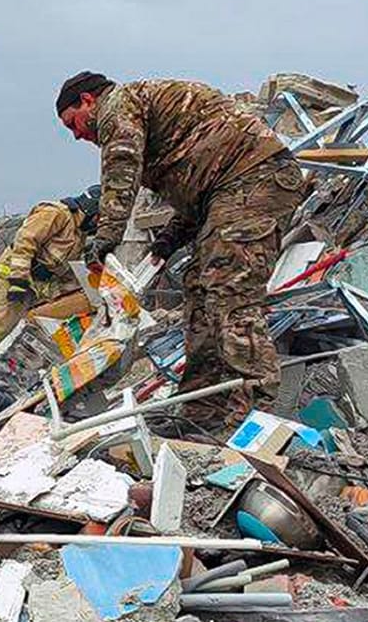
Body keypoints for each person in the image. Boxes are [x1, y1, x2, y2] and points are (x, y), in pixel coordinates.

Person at [55, 71, 308, 433]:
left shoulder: (117, 107)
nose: (78, 134)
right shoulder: (150, 116)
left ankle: (258, 413)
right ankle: (202, 409)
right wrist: (168, 239)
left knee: (228, 288)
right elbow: (198, 188)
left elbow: (121, 167)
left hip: (255, 179)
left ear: (88, 101)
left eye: (73, 123)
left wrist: (107, 235)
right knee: (200, 292)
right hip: (231, 188)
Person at [0, 188, 97, 379]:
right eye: (98, 218)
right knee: (0, 324)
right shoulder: (55, 214)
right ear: (91, 209)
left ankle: (11, 373)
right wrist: (18, 281)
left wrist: (76, 296)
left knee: (39, 324)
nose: (98, 224)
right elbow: (24, 243)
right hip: (15, 274)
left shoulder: (77, 234)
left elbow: (64, 272)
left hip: (38, 283)